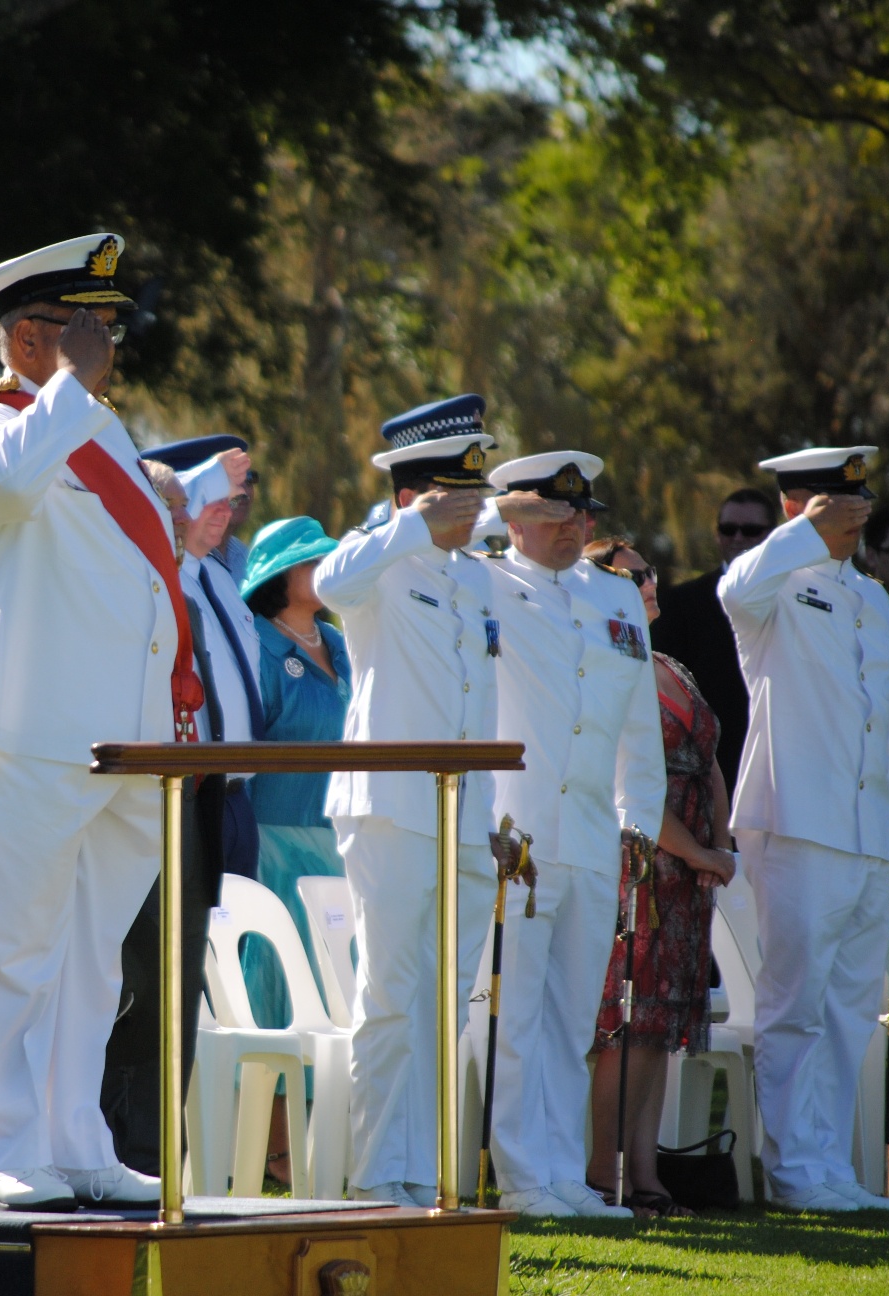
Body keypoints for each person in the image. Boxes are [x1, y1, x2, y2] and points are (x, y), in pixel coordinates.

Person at [0, 232, 181, 1212]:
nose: (107, 345)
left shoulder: (99, 426)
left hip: (120, 738)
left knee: (90, 958)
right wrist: (68, 390)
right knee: (12, 954)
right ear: (32, 336)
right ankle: (13, 1148)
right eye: (90, 327)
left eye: (108, 329)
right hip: (25, 728)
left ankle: (77, 1138)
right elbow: (2, 485)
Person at [313, 394, 552, 1209]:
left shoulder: (470, 579)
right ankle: (380, 1174)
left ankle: (422, 1171)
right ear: (420, 496)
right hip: (388, 809)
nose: (471, 515)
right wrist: (414, 525)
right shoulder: (375, 562)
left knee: (443, 1001)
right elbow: (329, 581)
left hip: (461, 816)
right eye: (459, 500)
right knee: (389, 995)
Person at [476, 452, 664, 1220]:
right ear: (517, 519)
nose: (573, 529)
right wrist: (500, 509)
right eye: (553, 515)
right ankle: (524, 1179)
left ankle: (560, 1178)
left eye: (581, 516)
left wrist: (640, 821)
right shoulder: (482, 580)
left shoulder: (615, 598)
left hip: (591, 831)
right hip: (516, 833)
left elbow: (638, 726)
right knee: (515, 1015)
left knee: (571, 1018)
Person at [720, 444, 889, 1212]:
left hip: (863, 829)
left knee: (848, 1006)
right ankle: (793, 1169)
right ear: (801, 506)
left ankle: (829, 1165)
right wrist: (801, 531)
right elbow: (734, 587)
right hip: (796, 820)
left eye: (860, 506)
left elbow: (882, 720)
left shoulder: (864, 595)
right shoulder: (774, 583)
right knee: (795, 1004)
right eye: (839, 506)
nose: (855, 519)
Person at [581, 535, 736, 1218]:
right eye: (631, 575)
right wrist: (697, 853)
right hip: (639, 862)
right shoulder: (606, 664)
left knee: (659, 1032)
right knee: (623, 1024)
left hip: (688, 877)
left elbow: (708, 762)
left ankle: (645, 1171)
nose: (648, 585)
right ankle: (599, 1171)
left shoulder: (669, 663)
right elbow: (631, 790)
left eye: (650, 574)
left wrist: (719, 843)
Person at [99, 458, 226, 1180]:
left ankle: (157, 1155)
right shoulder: (117, 586)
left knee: (177, 988)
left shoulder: (186, 593)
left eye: (182, 510)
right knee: (130, 985)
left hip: (190, 809)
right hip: (130, 806)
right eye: (167, 509)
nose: (180, 523)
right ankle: (119, 1148)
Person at [240, 517, 351, 1028]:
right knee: (277, 1017)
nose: (327, 567)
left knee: (338, 1014)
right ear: (278, 576)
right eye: (312, 559)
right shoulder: (256, 644)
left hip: (338, 849)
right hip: (272, 854)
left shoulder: (339, 641)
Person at [141, 436, 258, 883]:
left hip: (239, 796)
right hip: (190, 793)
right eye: (210, 500)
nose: (223, 512)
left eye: (232, 501)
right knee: (187, 939)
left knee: (238, 939)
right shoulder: (161, 578)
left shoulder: (221, 578)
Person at [651, 487, 777, 788]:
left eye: (751, 530)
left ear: (773, 536)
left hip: (781, 762)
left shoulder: (795, 599)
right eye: (728, 529)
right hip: (711, 769)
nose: (738, 538)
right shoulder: (681, 604)